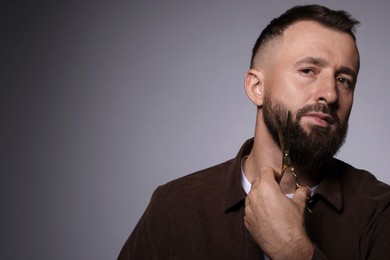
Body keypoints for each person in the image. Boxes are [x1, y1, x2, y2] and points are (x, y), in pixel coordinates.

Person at [118, 4, 390, 259]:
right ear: (256, 88)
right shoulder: (176, 206)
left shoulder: (379, 212)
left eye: (344, 80)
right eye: (308, 70)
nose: (330, 94)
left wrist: (295, 252)